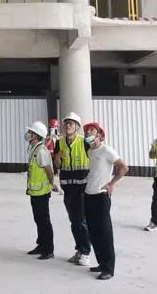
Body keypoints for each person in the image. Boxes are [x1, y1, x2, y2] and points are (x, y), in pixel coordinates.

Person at [83, 122, 129, 281]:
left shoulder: (106, 150)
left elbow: (123, 167)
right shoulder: (90, 151)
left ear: (99, 135)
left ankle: (109, 268)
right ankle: (101, 263)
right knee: (93, 232)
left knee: (104, 233)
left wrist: (111, 183)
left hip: (101, 196)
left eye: (91, 130)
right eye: (87, 131)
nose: (88, 132)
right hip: (88, 195)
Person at [54, 112, 92, 266]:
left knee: (82, 221)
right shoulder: (59, 143)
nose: (67, 125)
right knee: (74, 221)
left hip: (82, 188)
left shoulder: (84, 142)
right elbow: (57, 165)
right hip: (68, 189)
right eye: (66, 123)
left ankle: (86, 252)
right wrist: (58, 157)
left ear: (77, 127)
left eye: (71, 123)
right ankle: (79, 250)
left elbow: (95, 160)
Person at [25, 121, 56, 260]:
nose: (28, 134)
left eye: (31, 132)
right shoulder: (35, 149)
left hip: (42, 193)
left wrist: (52, 184)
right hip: (35, 192)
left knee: (44, 221)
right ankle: (41, 245)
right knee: (38, 220)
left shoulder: (41, 151)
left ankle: (48, 250)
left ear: (36, 135)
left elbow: (49, 170)